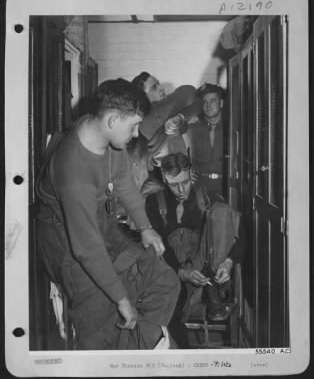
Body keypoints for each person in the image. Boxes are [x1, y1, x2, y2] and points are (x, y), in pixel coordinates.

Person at [35, 78, 180, 350]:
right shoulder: (73, 170)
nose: (137, 134)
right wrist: (121, 299)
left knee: (165, 280)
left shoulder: (105, 135)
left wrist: (145, 227)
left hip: (99, 223)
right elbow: (86, 249)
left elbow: (123, 179)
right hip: (65, 238)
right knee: (100, 321)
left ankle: (134, 348)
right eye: (134, 125)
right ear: (113, 120)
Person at [145, 153, 244, 345]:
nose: (181, 189)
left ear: (191, 173)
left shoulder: (208, 195)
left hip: (207, 268)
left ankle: (216, 291)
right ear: (164, 179)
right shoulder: (153, 202)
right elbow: (158, 250)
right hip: (172, 269)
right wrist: (181, 272)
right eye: (174, 185)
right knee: (170, 313)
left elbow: (240, 234)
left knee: (222, 211)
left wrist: (229, 261)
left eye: (185, 181)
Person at [186, 83, 227, 197]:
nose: (208, 105)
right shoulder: (191, 128)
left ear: (221, 103)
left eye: (213, 100)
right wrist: (186, 171)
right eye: (204, 102)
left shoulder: (232, 129)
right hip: (200, 187)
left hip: (227, 185)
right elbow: (180, 154)